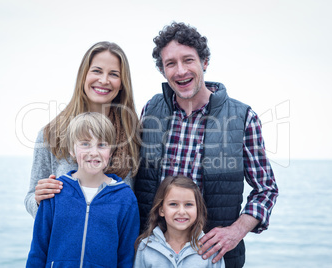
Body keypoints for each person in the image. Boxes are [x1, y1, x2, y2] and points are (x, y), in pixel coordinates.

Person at [134, 22, 279, 267]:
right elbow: (126, 173)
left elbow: (266, 190)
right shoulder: (151, 110)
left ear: (205, 62)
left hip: (211, 258)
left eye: (188, 60)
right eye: (171, 63)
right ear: (163, 70)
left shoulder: (243, 118)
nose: (180, 71)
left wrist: (235, 231)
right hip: (151, 255)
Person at [24, 41, 140, 219]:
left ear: (122, 83)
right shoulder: (52, 134)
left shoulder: (134, 135)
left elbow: (140, 204)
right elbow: (31, 198)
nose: (104, 80)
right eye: (97, 71)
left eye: (114, 74)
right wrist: (40, 201)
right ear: (83, 75)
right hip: (64, 244)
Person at [26, 112, 140, 267]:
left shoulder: (125, 198)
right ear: (72, 150)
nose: (94, 152)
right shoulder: (55, 192)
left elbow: (126, 257)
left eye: (102, 145)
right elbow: (38, 251)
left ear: (111, 152)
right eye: (85, 144)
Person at [134, 175, 225, 268]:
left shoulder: (210, 249)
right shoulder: (146, 247)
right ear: (161, 210)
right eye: (173, 204)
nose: (181, 212)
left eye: (188, 204)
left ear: (198, 209)